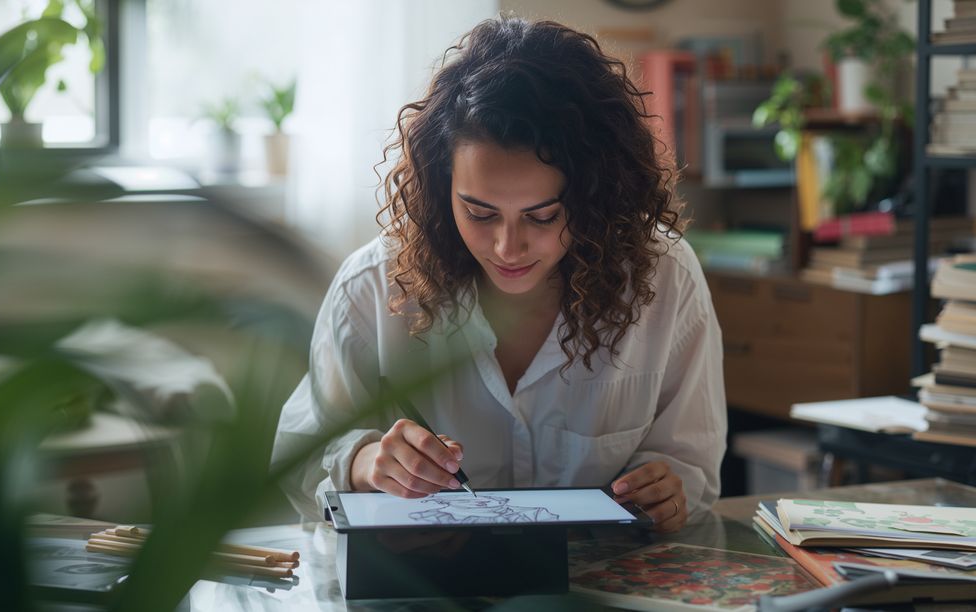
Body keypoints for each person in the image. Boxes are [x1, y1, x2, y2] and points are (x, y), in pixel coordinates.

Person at [271, 16, 726, 533]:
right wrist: (366, 462)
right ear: (442, 190)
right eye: (480, 213)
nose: (508, 247)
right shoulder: (375, 284)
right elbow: (300, 459)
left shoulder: (664, 278)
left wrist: (672, 489)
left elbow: (694, 466)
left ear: (595, 196)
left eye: (543, 215)